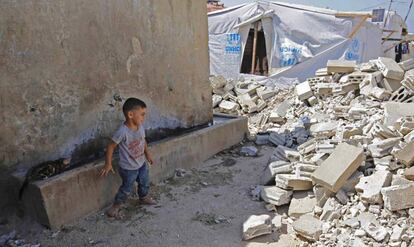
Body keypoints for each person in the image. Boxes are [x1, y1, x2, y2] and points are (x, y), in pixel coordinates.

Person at [100, 97, 156, 218]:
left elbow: (143, 141)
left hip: (141, 163)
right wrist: (108, 164)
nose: (143, 117)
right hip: (128, 168)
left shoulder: (140, 126)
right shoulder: (122, 131)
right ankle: (115, 206)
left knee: (144, 182)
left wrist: (148, 154)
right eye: (142, 114)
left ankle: (143, 197)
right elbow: (111, 146)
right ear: (130, 114)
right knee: (126, 188)